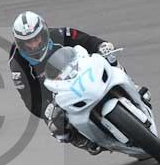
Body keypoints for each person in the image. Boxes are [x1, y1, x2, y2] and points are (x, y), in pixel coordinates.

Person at [8, 11, 149, 154]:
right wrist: (46, 109)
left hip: (81, 72)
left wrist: (101, 45)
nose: (33, 45)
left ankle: (131, 85)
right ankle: (83, 140)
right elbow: (31, 99)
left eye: (36, 38)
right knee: (55, 125)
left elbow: (87, 40)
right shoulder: (17, 65)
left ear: (44, 32)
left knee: (109, 58)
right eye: (28, 42)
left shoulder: (60, 34)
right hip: (56, 93)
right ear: (20, 43)